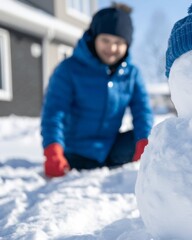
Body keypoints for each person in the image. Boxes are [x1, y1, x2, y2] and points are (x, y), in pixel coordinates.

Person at [41, 3, 153, 178]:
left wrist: (144, 143)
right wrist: (52, 150)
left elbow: (142, 111)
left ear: (127, 44)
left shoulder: (131, 73)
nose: (112, 48)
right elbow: (54, 112)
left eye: (118, 42)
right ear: (94, 38)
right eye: (106, 40)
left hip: (112, 150)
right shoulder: (69, 69)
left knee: (156, 137)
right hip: (75, 153)